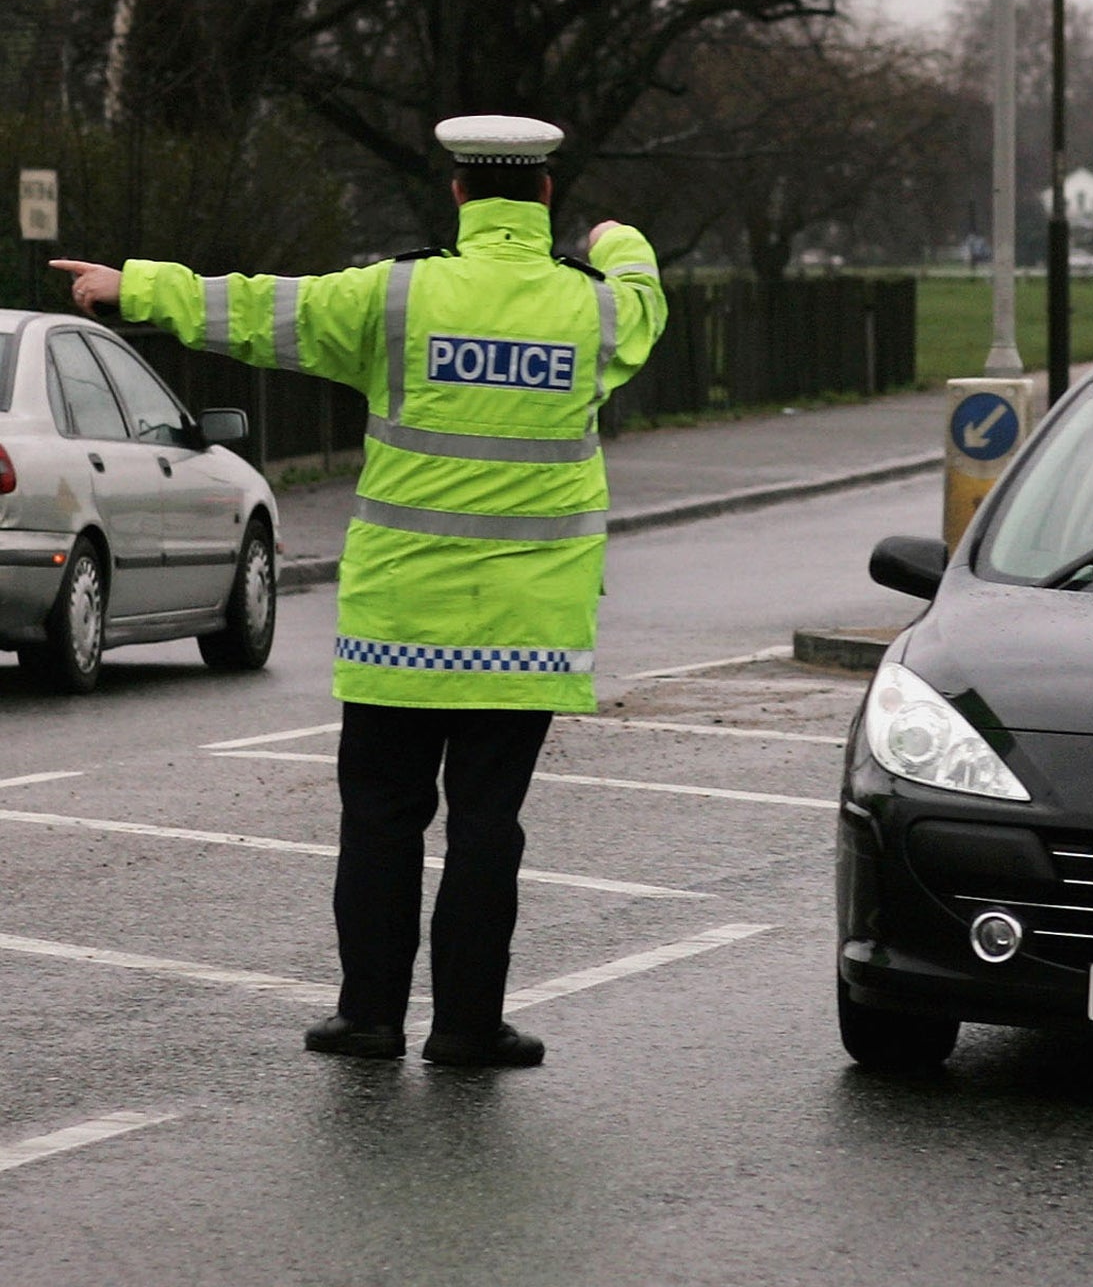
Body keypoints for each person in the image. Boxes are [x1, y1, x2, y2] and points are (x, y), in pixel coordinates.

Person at [52, 115, 668, 1067]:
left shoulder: (396, 296)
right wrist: (616, 240)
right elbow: (644, 294)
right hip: (528, 631)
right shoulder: (593, 312)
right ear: (543, 198)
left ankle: (370, 1017)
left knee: (381, 820)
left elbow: (257, 310)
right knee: (486, 829)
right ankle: (467, 1028)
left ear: (457, 196)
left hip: (399, 627)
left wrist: (134, 285)